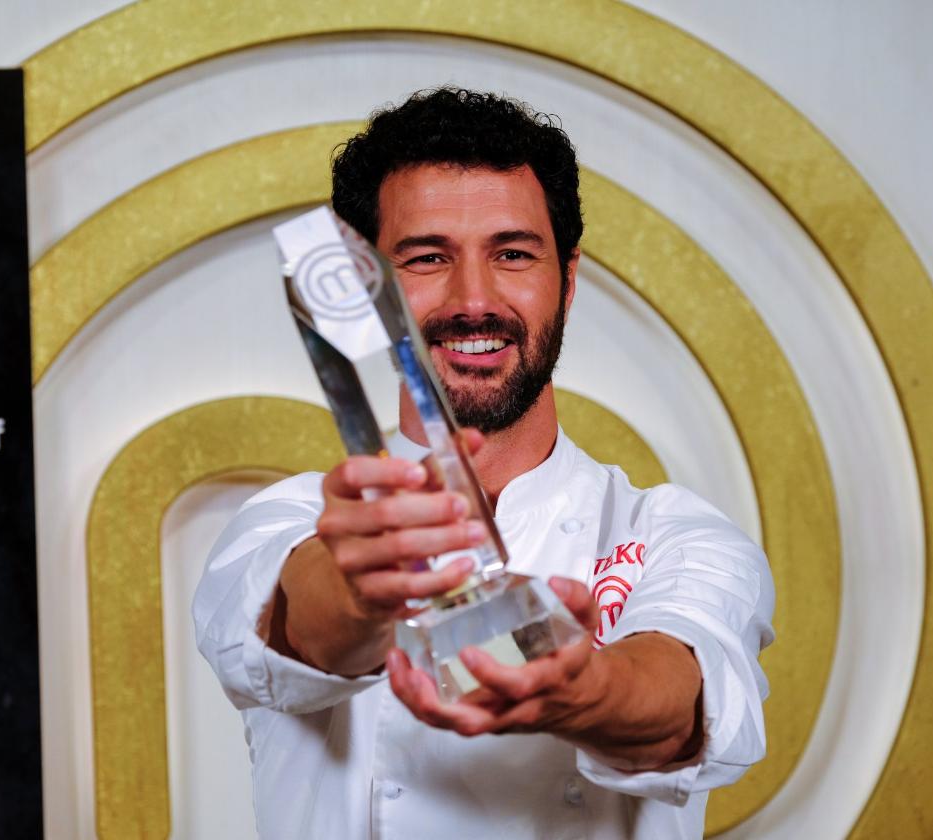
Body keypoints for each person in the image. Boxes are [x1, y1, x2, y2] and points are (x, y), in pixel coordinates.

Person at [193, 87, 774, 840]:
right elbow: (304, 625)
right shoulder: (291, 519)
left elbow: (674, 697)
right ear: (364, 285)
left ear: (566, 280)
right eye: (427, 256)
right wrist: (363, 587)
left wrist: (587, 690)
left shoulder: (675, 532)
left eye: (513, 254)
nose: (474, 299)